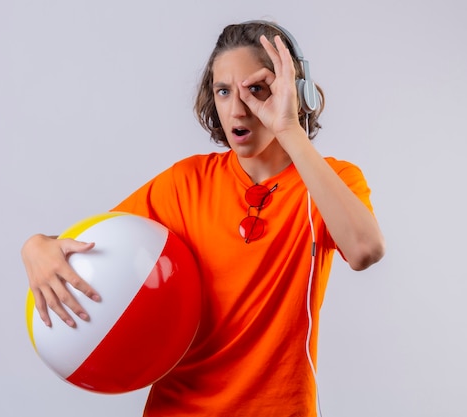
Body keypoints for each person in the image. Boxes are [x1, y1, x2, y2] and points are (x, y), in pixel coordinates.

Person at [21, 20, 385, 417]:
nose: (238, 109)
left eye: (257, 89)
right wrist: (36, 247)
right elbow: (100, 248)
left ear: (293, 93)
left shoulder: (329, 181)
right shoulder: (185, 182)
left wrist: (288, 128)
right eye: (224, 91)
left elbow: (365, 249)